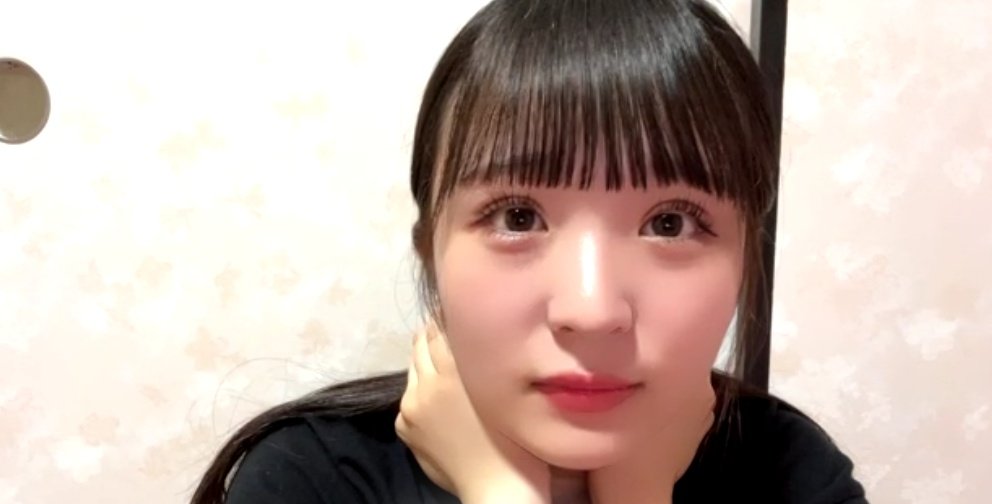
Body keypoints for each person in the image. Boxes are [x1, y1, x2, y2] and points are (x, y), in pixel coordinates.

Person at [192, 0, 868, 502]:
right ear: (430, 251)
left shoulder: (791, 475)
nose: (592, 310)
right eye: (518, 217)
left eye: (669, 223)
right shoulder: (313, 481)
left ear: (747, 257)